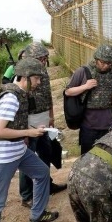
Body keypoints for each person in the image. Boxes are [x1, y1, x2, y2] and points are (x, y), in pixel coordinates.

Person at [0, 58, 59, 222]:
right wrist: (28, 133)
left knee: (42, 173)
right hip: (5, 156)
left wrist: (34, 130)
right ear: (25, 78)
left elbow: (14, 126)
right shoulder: (11, 98)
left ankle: (37, 214)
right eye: (36, 78)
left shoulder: (22, 94)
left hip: (18, 151)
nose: (40, 82)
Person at [19, 42, 66, 208]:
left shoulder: (43, 72)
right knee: (28, 158)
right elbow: (21, 103)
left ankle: (46, 185)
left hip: (44, 121)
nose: (44, 62)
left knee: (46, 153)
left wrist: (51, 117)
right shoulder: (22, 74)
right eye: (41, 58)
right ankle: (27, 195)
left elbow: (48, 95)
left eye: (45, 59)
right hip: (30, 123)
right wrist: (24, 130)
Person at [64, 45, 112, 155]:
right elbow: (68, 91)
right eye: (102, 62)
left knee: (109, 157)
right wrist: (85, 86)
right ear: (96, 59)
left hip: (109, 124)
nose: (105, 66)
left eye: (109, 64)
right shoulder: (83, 71)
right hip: (89, 125)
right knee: (87, 157)